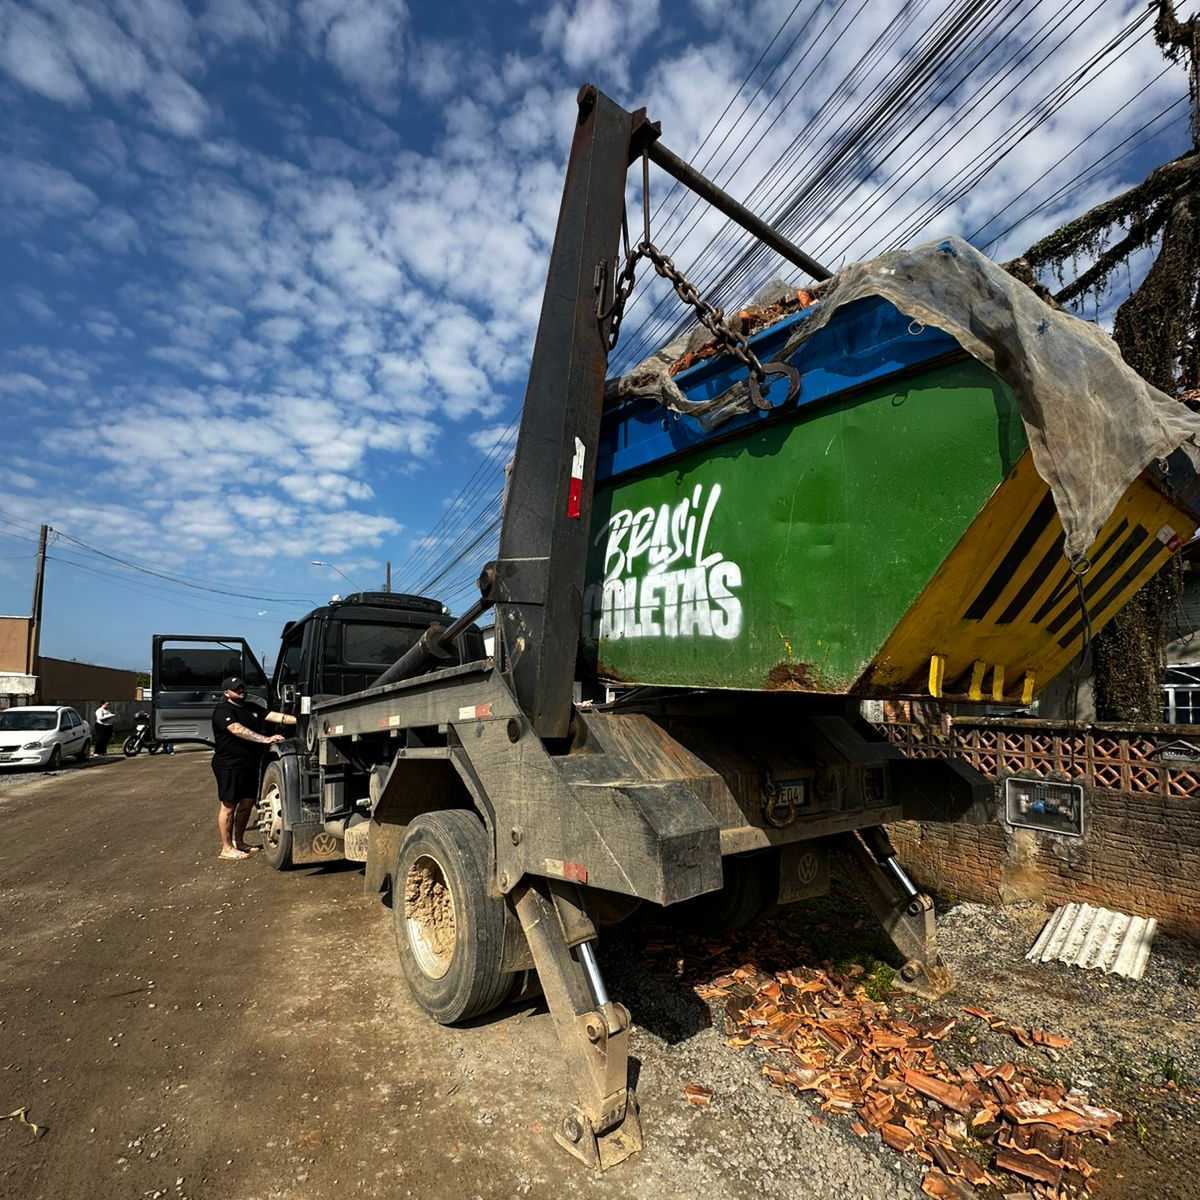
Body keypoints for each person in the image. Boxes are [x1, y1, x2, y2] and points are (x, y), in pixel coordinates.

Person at [210, 676, 297, 861]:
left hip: (249, 763)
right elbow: (236, 729)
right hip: (229, 764)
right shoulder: (223, 710)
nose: (241, 690)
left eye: (242, 687)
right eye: (236, 689)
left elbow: (274, 716)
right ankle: (226, 848)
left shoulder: (251, 707)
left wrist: (302, 718)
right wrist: (265, 739)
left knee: (247, 803)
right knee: (229, 805)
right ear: (227, 693)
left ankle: (239, 842)